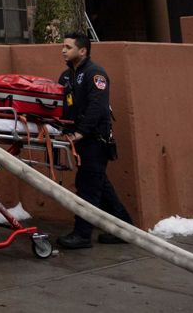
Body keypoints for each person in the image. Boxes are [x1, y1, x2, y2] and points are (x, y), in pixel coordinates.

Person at [55, 29, 134, 249]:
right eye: (63, 46)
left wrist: (80, 132)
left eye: (68, 47)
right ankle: (125, 228)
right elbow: (64, 106)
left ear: (83, 50)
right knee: (100, 186)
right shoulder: (66, 76)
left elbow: (97, 108)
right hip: (78, 140)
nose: (63, 50)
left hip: (95, 140)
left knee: (88, 187)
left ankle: (82, 234)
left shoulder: (95, 74)